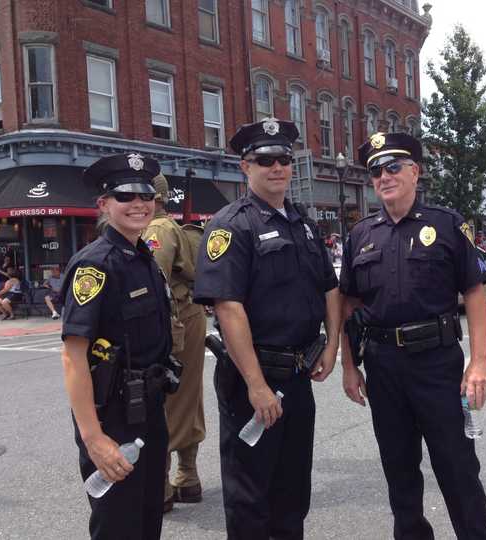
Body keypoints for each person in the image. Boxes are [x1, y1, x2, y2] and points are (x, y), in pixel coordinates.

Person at [340, 132, 486, 539]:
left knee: (458, 468)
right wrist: (349, 367)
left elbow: (475, 292)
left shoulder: (446, 224)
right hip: (382, 365)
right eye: (376, 171)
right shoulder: (361, 235)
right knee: (398, 470)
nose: (384, 177)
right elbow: (349, 305)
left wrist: (480, 361)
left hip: (437, 365)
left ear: (415, 171)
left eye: (393, 167)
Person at [193, 118, 341, 540]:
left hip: (297, 376)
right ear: (245, 167)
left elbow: (329, 288)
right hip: (251, 379)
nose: (276, 167)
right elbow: (228, 307)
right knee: (250, 495)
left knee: (294, 490)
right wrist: (256, 385)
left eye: (283, 160)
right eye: (265, 160)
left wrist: (331, 347)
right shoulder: (230, 224)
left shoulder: (305, 224)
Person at [59, 153, 174, 539]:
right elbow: (73, 356)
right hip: (112, 417)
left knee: (147, 522)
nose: (138, 204)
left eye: (145, 195)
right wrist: (94, 439)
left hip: (149, 411)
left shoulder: (145, 259)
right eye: (124, 196)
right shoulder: (94, 265)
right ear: (104, 204)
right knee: (118, 527)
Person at [142, 173, 207, 513]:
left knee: (165, 401)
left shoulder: (157, 230)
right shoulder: (166, 227)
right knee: (186, 397)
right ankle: (187, 476)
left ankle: (163, 485)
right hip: (187, 317)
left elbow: (153, 283)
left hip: (173, 323)